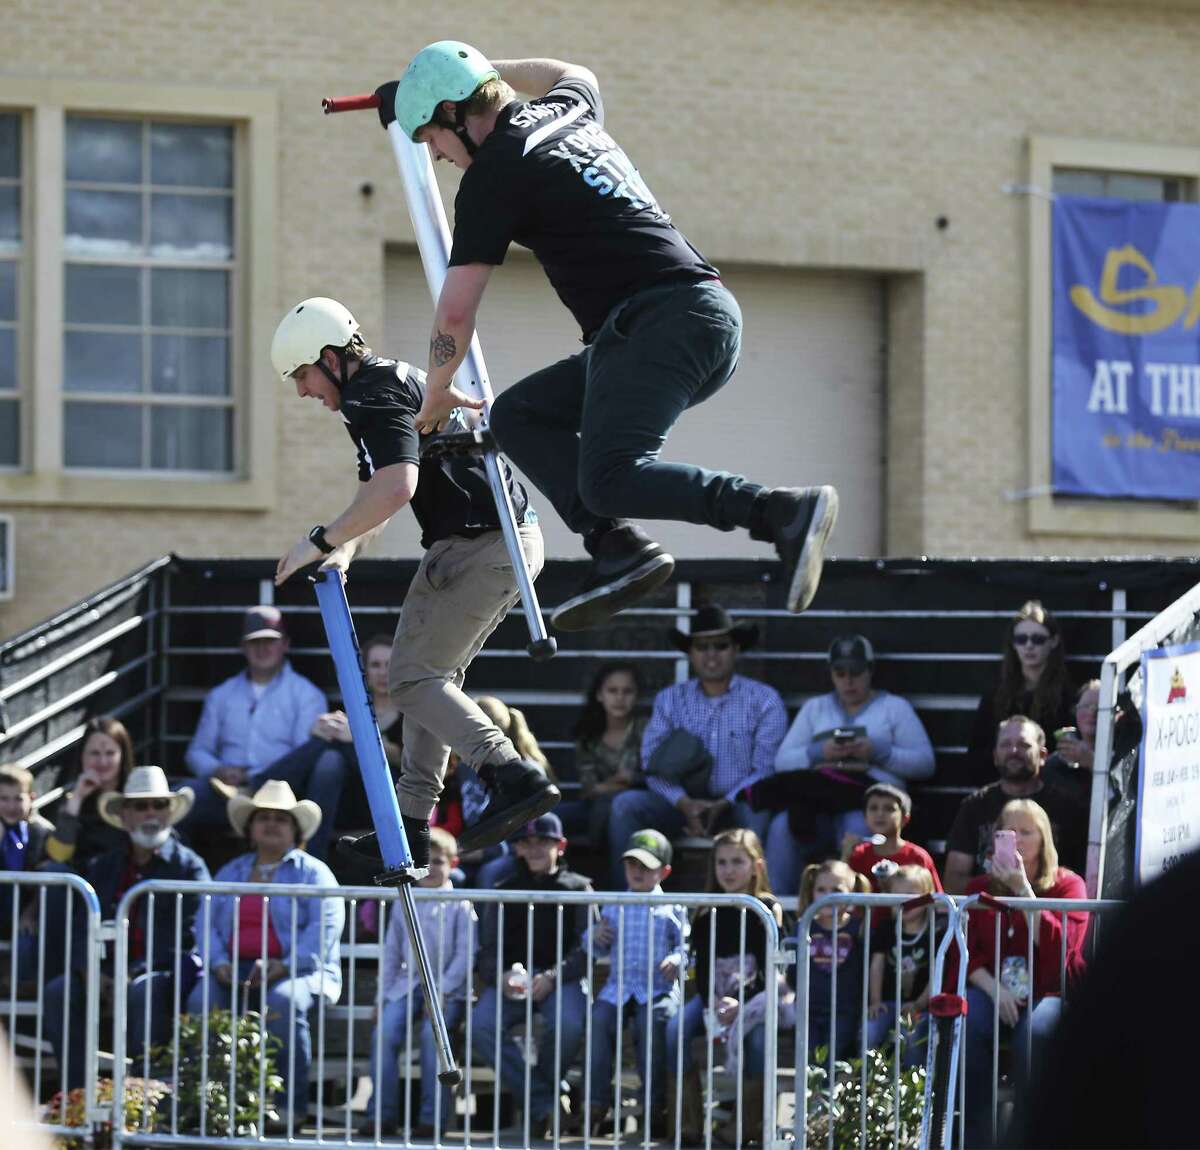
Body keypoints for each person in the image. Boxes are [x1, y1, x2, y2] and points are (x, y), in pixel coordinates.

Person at [385, 43, 839, 633]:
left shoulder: (497, 169)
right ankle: (616, 547)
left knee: (609, 477)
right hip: (695, 318)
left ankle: (778, 511)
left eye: (432, 138)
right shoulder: (568, 109)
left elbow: (454, 314)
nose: (437, 156)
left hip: (658, 323)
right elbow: (573, 72)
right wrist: (491, 66)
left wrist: (436, 392)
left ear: (452, 113)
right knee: (519, 417)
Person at [269, 298, 558, 868]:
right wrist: (345, 548)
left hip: (480, 543)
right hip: (493, 541)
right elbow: (375, 495)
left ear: (330, 359)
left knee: (410, 679)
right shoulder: (388, 382)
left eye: (302, 375)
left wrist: (320, 539)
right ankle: (410, 826)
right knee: (430, 682)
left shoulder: (367, 395)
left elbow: (397, 486)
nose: (303, 391)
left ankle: (511, 774)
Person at [187, 780, 345, 1130]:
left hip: (297, 972)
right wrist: (218, 963)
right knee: (202, 1001)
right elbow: (205, 924)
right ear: (251, 828)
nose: (272, 824)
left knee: (282, 1003)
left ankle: (287, 1109)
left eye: (282, 818)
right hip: (232, 970)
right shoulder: (231, 871)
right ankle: (210, 1105)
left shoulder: (314, 874)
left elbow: (324, 930)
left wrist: (284, 966)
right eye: (264, 818)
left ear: (295, 829)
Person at [43, 767, 208, 1090]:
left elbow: (192, 934)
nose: (151, 813)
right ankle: (77, 1097)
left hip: (161, 975)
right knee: (60, 990)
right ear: (125, 815)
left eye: (159, 805)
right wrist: (91, 970)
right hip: (103, 973)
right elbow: (80, 925)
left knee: (143, 990)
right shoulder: (104, 865)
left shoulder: (190, 867)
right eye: (141, 806)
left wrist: (133, 972)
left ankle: (147, 1100)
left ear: (170, 813)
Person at [608, 605, 783, 886]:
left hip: (738, 804)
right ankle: (623, 906)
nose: (711, 654)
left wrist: (724, 803)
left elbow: (766, 768)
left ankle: (761, 907)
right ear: (691, 653)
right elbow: (652, 764)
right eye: (702, 647)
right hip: (679, 806)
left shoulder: (764, 700)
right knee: (626, 806)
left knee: (759, 811)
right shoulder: (670, 699)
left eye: (720, 645)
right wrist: (684, 802)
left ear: (736, 649)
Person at [959, 798, 1088, 1148]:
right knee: (967, 1021)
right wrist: (994, 989)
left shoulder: (1068, 885)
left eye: (1026, 832)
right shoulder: (978, 889)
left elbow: (1063, 948)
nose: (1017, 839)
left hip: (1048, 993)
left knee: (1037, 1034)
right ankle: (975, 1140)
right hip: (992, 990)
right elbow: (963, 950)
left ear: (1044, 839)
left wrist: (1022, 890)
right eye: (1009, 831)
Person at [766, 635, 935, 897]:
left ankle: (853, 912)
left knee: (858, 825)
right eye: (840, 672)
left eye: (856, 672)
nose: (848, 680)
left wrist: (878, 752)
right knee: (781, 826)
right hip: (818, 805)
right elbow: (782, 761)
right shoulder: (816, 708)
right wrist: (818, 752)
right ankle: (780, 908)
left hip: (866, 804)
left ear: (870, 670)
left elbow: (925, 763)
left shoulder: (894, 708)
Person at [182, 606, 347, 859]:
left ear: (285, 645)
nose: (262, 649)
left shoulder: (306, 694)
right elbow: (197, 751)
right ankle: (188, 877)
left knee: (325, 755)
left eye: (270, 641)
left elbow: (303, 756)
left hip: (283, 791)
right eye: (254, 642)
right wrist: (218, 770)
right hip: (226, 792)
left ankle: (314, 870)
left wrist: (257, 777)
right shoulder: (221, 694)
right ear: (243, 647)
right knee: (176, 800)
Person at [470, 813, 592, 1137]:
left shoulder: (581, 889)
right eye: (527, 842)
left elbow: (586, 949)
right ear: (518, 849)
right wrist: (501, 976)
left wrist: (552, 976)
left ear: (561, 846)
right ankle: (545, 1102)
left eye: (545, 842)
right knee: (481, 1025)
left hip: (561, 980)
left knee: (569, 1023)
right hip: (513, 981)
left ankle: (541, 1104)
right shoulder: (502, 889)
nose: (536, 849)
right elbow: (487, 949)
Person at [665, 828, 784, 1146]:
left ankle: (744, 1127)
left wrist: (739, 1000)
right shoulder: (707, 911)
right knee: (676, 1029)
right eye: (721, 862)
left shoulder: (767, 909)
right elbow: (701, 967)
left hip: (758, 997)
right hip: (713, 997)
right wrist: (711, 1003)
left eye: (737, 862)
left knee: (758, 1042)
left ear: (756, 865)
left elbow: (769, 969)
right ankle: (687, 1124)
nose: (728, 870)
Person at [362, 827, 473, 1138]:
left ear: (453, 863)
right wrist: (381, 1000)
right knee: (384, 1033)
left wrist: (441, 994)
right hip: (407, 985)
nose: (431, 868)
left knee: (431, 1039)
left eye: (438, 861)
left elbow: (464, 957)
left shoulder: (462, 903)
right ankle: (381, 1115)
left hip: (445, 991)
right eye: (424, 862)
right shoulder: (404, 901)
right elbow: (392, 953)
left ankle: (432, 1119)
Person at [581, 830, 687, 1139]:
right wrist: (594, 937)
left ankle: (654, 1107)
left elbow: (687, 949)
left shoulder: (674, 909)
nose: (638, 872)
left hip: (657, 990)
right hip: (618, 988)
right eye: (632, 865)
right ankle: (596, 1105)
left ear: (664, 871)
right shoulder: (614, 905)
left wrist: (678, 961)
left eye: (647, 866)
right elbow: (595, 946)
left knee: (652, 1023)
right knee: (598, 1019)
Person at [943, 716, 1088, 893]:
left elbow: (1078, 876)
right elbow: (954, 879)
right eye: (1005, 745)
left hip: (1046, 912)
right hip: (992, 911)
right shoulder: (974, 806)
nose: (1013, 751)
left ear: (1042, 755)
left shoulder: (1066, 807)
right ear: (995, 756)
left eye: (1024, 745)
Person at [965, 601, 1076, 788]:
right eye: (1021, 639)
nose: (1029, 646)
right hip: (1002, 789)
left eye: (1038, 639)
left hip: (1051, 791)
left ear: (1053, 642)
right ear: (1013, 644)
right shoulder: (995, 696)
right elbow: (977, 752)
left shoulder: (1069, 696)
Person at [784, 859, 871, 1063]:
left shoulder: (859, 928)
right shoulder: (803, 927)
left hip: (844, 1010)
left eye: (836, 889)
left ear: (851, 892)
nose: (828, 896)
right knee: (810, 1060)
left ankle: (827, 1095)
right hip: (808, 1009)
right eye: (821, 890)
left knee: (832, 1059)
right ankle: (811, 1096)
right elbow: (793, 971)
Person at [559, 663, 646, 848]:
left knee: (615, 808)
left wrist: (627, 781)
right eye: (612, 691)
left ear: (637, 695)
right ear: (600, 695)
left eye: (627, 691)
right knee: (550, 818)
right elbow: (589, 788)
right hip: (593, 807)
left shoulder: (647, 730)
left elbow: (652, 777)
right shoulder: (588, 736)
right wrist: (621, 781)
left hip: (634, 808)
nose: (620, 698)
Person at [865, 865, 937, 1067]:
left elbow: (935, 973)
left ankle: (911, 1088)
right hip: (887, 1002)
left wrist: (919, 1004)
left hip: (921, 1007)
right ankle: (871, 1085)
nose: (904, 901)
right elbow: (877, 966)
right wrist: (875, 1001)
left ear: (927, 897)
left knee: (911, 1035)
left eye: (911, 895)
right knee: (869, 1029)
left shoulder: (936, 931)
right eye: (897, 895)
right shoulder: (887, 928)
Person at [45, 716, 134, 866]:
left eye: (110, 753)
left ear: (123, 756)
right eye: (94, 753)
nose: (102, 762)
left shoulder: (137, 797)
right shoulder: (71, 801)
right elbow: (58, 856)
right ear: (82, 757)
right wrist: (77, 799)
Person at [0, 764, 53, 982]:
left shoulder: (42, 832)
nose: (11, 806)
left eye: (18, 798)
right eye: (3, 799)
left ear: (31, 798)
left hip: (25, 917)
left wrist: (31, 912)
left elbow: (46, 877)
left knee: (27, 941)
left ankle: (20, 997)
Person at [845, 784, 943, 893]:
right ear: (865, 817)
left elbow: (936, 902)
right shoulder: (858, 854)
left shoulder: (917, 857)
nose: (880, 814)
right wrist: (845, 856)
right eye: (873, 808)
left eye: (889, 809)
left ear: (905, 818)